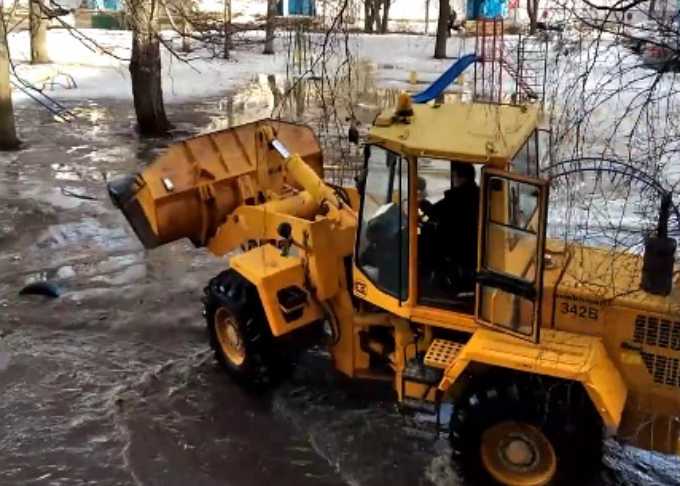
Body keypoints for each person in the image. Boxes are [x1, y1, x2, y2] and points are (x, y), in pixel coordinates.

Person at [422, 161, 479, 292]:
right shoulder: (477, 194)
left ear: (461, 178)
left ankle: (429, 287)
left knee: (426, 244)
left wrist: (423, 205)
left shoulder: (458, 198)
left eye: (454, 177)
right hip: (468, 247)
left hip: (456, 250)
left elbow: (437, 211)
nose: (453, 180)